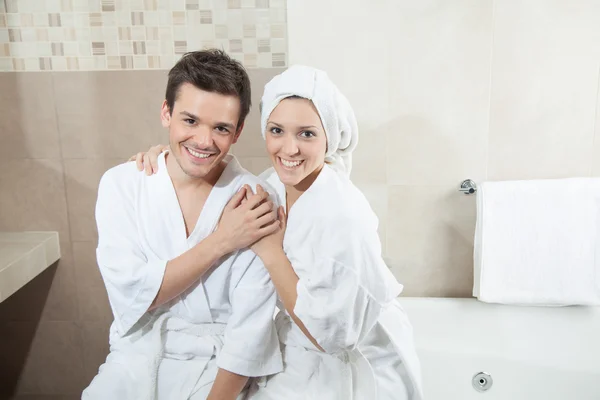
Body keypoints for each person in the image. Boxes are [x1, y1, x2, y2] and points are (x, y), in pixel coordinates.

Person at [133, 65, 423, 399]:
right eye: (277, 130)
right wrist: (162, 161)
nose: (289, 149)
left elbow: (331, 336)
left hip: (347, 366)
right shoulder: (272, 183)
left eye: (307, 134)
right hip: (299, 344)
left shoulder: (343, 215)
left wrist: (271, 251)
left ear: (330, 136)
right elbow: (215, 177)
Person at [82, 50, 284, 400]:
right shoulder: (123, 185)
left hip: (220, 368)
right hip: (137, 357)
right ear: (166, 113)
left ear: (237, 132)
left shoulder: (254, 199)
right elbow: (132, 292)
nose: (204, 142)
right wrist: (222, 240)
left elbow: (251, 328)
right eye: (190, 121)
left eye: (221, 128)